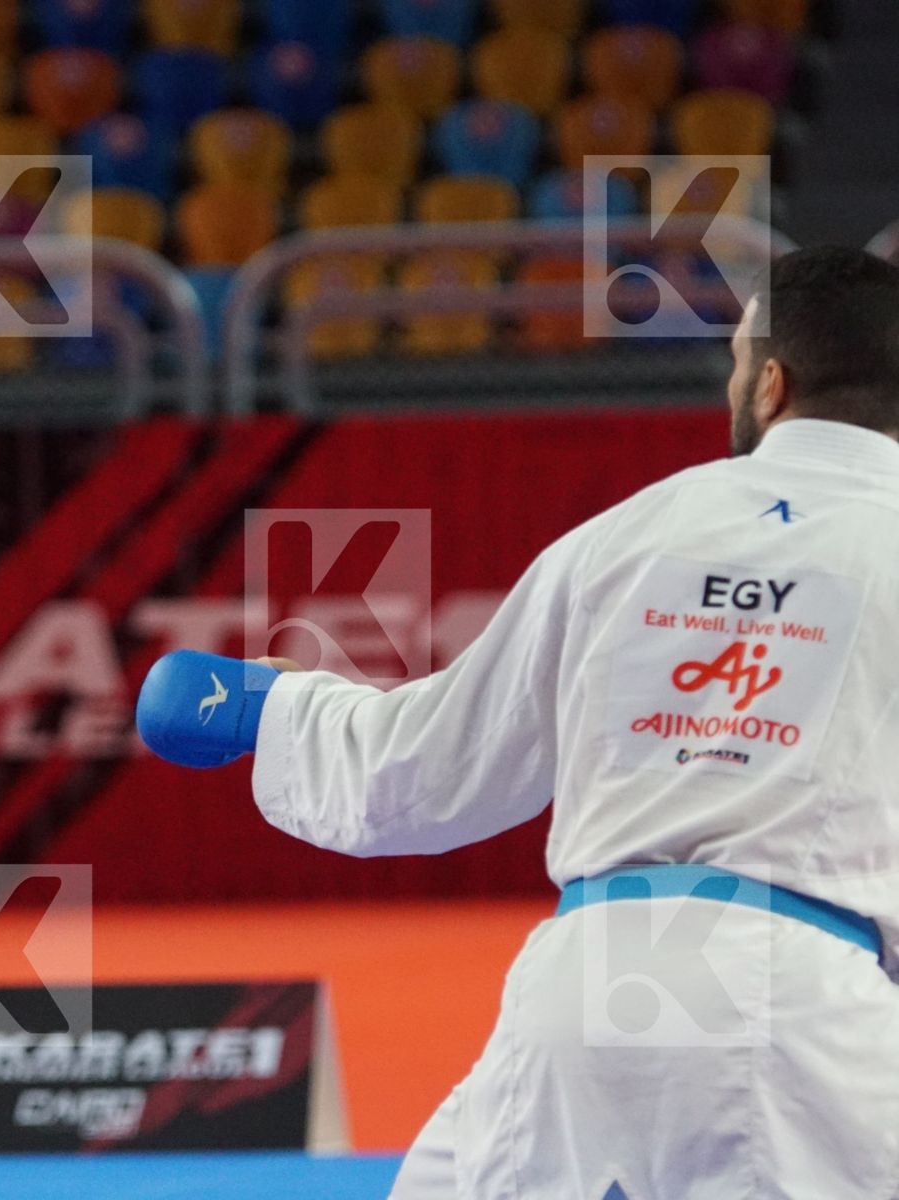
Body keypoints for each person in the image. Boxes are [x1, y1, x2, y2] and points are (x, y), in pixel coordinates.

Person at [136, 245, 899, 1197]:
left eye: (741, 362)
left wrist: (267, 706)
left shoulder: (628, 534)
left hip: (587, 989)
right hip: (818, 1012)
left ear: (774, 385)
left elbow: (429, 766)